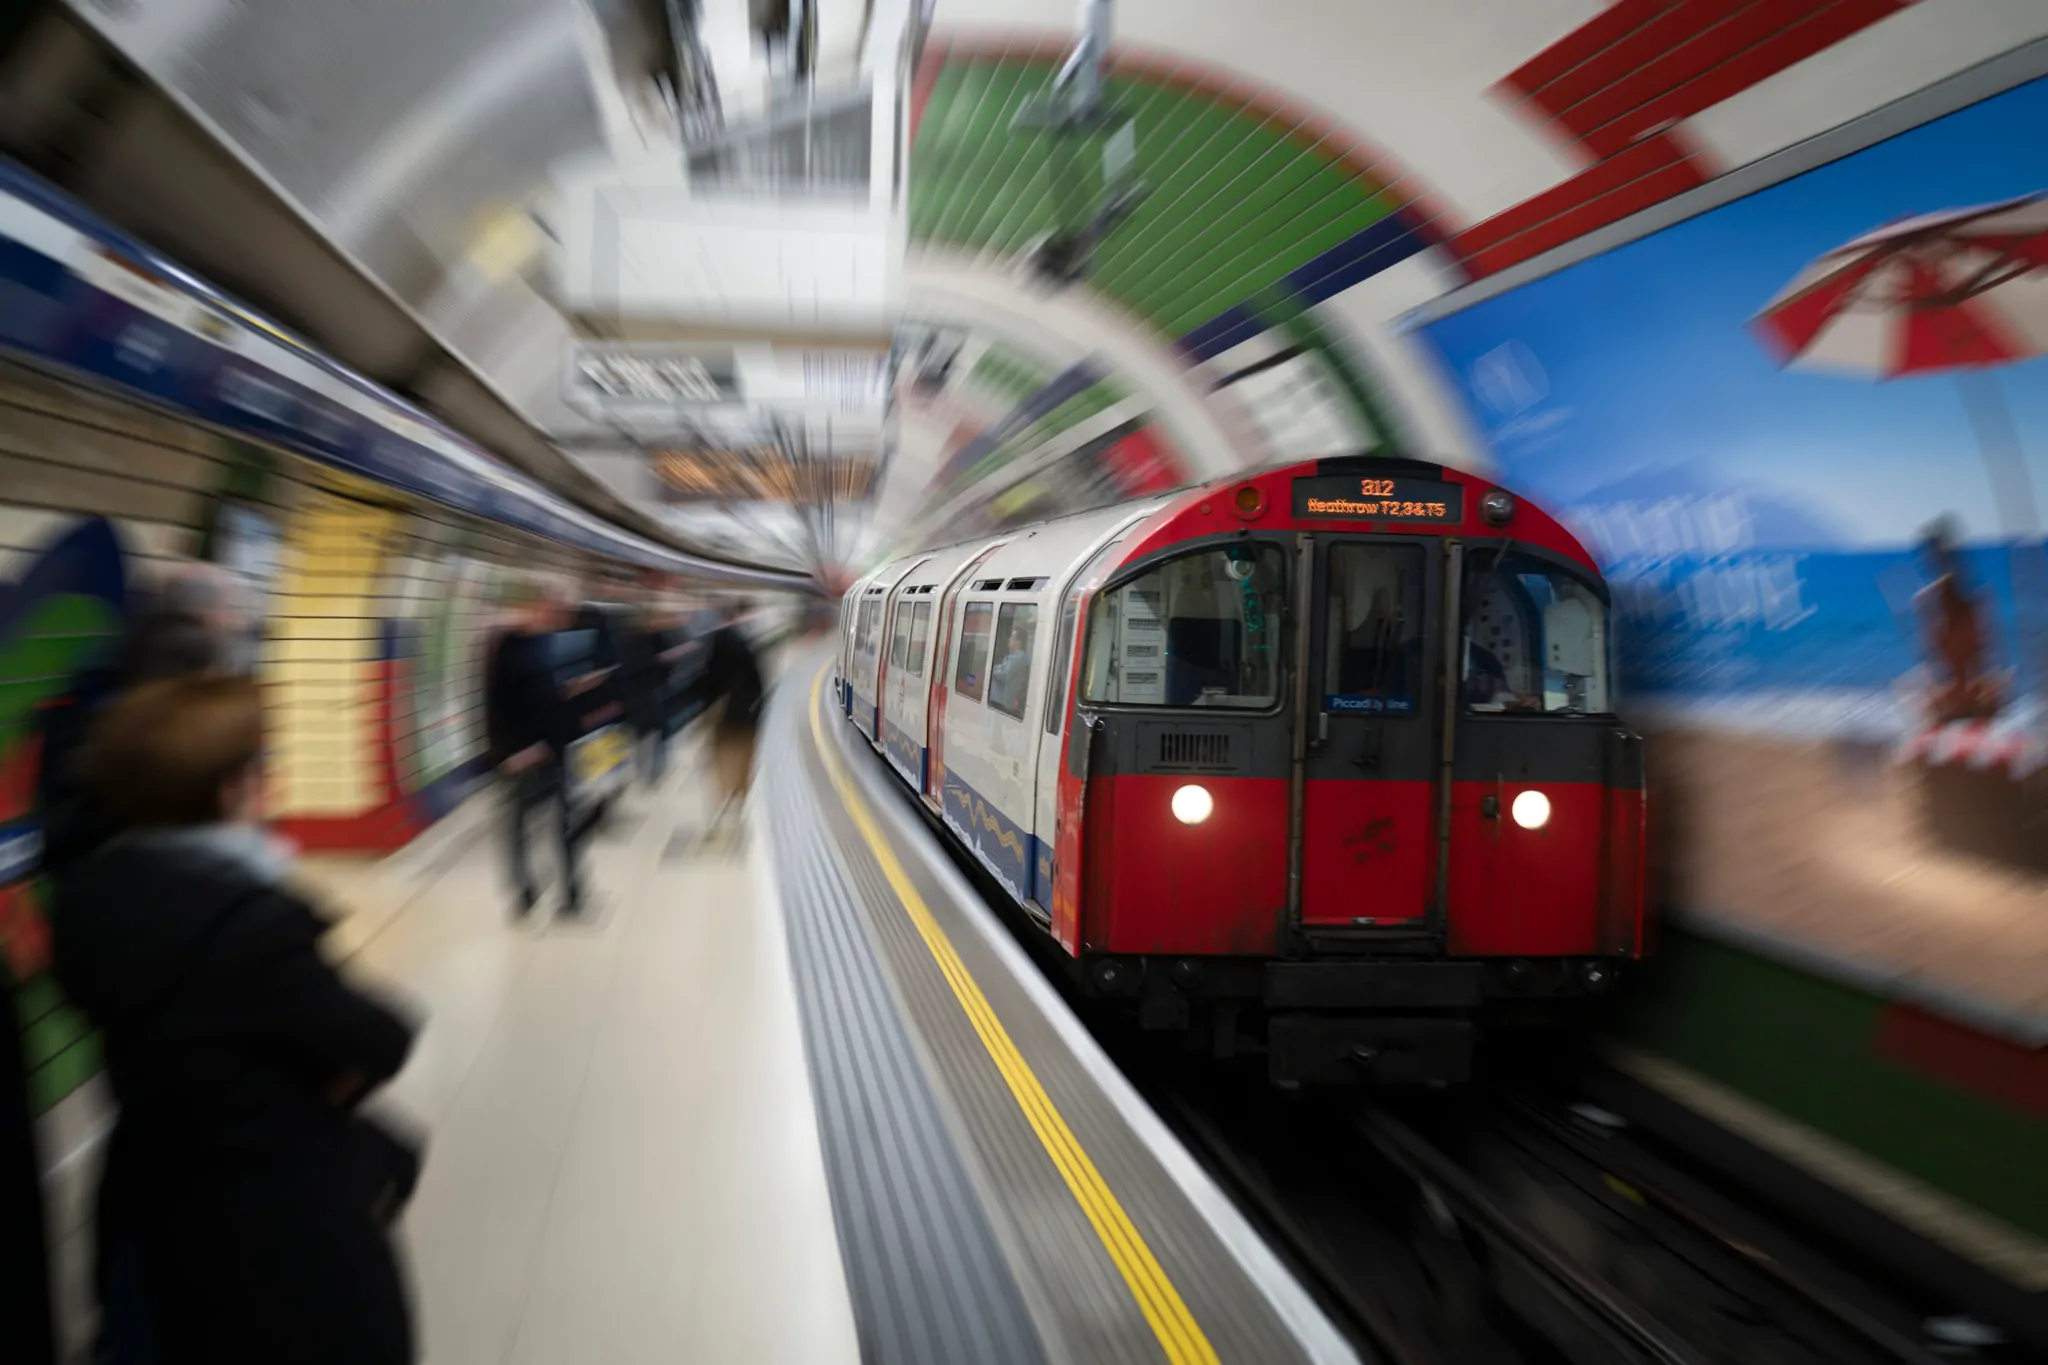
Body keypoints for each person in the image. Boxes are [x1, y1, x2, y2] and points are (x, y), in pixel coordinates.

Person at [51, 674, 420, 1365]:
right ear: (229, 791)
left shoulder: (88, 899)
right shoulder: (242, 922)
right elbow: (379, 1035)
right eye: (262, 768)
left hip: (148, 1210)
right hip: (272, 1231)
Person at [487, 581, 590, 919]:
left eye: (562, 611)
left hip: (556, 751)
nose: (558, 615)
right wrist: (508, 753)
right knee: (518, 829)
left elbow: (552, 700)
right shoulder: (506, 647)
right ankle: (524, 894)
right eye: (552, 608)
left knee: (564, 827)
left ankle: (573, 894)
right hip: (522, 757)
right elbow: (494, 704)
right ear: (533, 607)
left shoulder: (553, 645)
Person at [695, 603, 765, 843]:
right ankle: (741, 814)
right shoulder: (743, 641)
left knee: (723, 767)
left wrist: (705, 712)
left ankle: (724, 815)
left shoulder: (719, 640)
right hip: (745, 718)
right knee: (743, 767)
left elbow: (708, 681)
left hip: (728, 719)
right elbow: (756, 681)